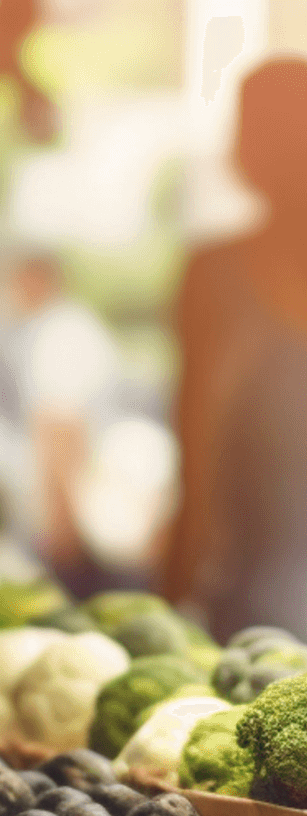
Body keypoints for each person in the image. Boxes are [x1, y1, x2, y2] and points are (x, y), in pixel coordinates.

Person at [162, 58, 307, 640]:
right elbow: (193, 454)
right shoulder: (215, 276)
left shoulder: (216, 276)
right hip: (246, 591)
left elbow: (196, 454)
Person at [0, 252, 123, 595]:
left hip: (60, 516)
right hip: (49, 513)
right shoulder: (44, 331)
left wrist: (63, 524)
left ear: (38, 281)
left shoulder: (61, 336)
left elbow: (61, 430)